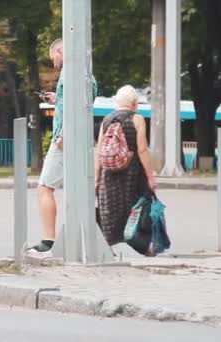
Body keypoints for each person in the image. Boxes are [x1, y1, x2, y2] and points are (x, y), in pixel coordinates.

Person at [25, 38, 97, 257]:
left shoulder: (70, 72)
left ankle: (49, 241)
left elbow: (74, 108)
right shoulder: (85, 73)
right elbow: (78, 102)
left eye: (53, 57)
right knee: (79, 190)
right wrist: (57, 99)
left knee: (45, 187)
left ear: (60, 50)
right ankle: (88, 237)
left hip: (65, 139)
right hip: (81, 138)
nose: (53, 62)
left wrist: (63, 135)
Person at [95, 85, 157, 252]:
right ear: (134, 102)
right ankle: (144, 247)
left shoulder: (107, 120)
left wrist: (97, 178)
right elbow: (142, 150)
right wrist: (150, 177)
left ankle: (106, 250)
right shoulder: (137, 119)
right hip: (133, 175)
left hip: (109, 176)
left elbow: (100, 152)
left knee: (109, 212)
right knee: (138, 209)